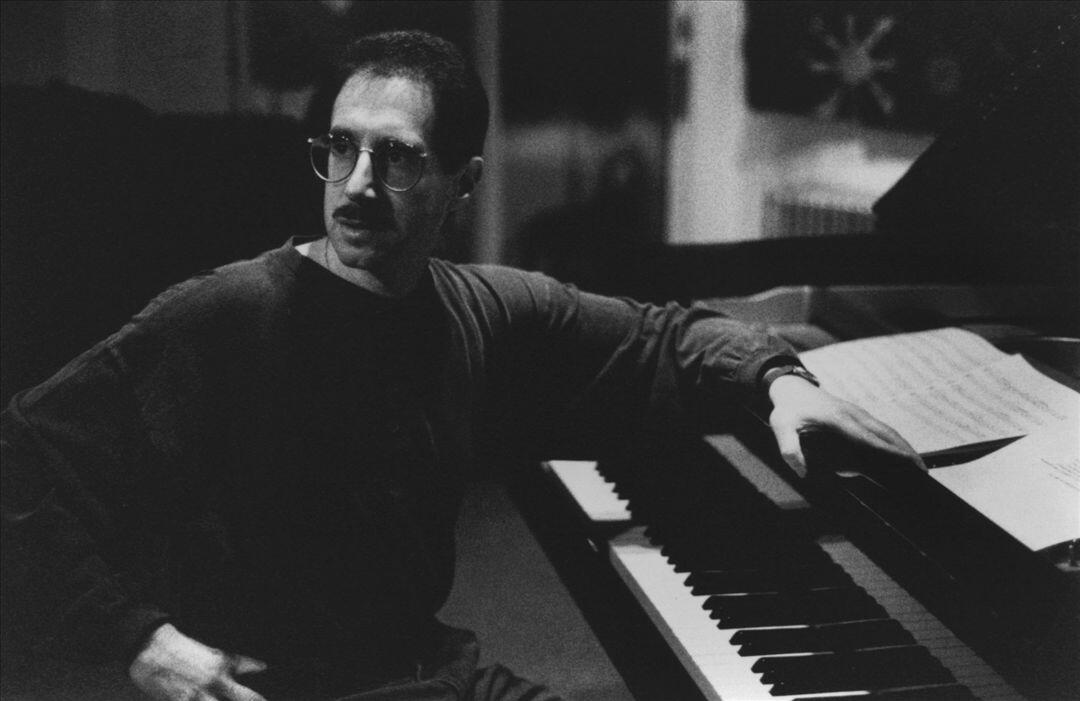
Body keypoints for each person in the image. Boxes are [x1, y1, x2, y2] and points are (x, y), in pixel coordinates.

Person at [0, 30, 920, 701]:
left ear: (464, 181)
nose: (359, 184)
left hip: (433, 670)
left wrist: (780, 381)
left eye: (397, 158)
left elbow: (663, 336)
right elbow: (19, 458)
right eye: (341, 148)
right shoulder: (227, 312)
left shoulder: (481, 306)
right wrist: (142, 641)